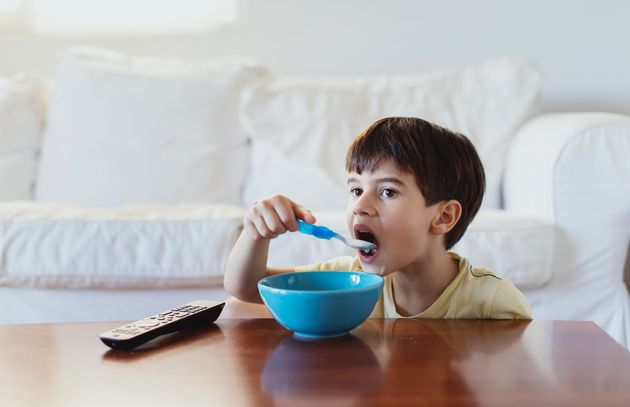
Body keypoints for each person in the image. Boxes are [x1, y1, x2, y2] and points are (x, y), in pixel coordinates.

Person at [224, 117, 531, 319]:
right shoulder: (347, 280)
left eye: (387, 192)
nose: (360, 206)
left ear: (443, 217)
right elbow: (248, 287)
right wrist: (255, 234)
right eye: (356, 190)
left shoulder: (493, 302)